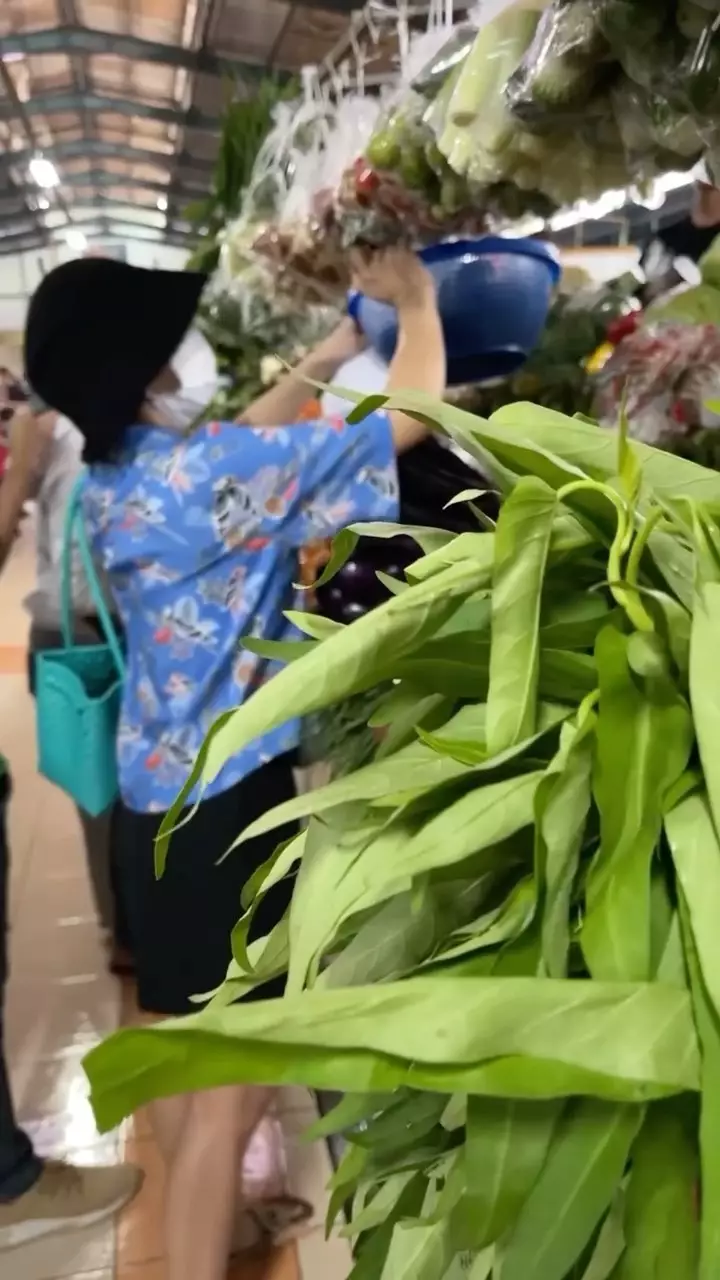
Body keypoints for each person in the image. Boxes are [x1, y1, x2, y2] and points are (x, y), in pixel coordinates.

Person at [23, 246, 446, 1280]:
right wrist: (420, 306)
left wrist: (338, 342)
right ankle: (204, 1250)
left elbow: (248, 436)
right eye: (171, 345)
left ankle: (209, 1223)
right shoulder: (208, 476)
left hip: (149, 812)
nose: (188, 355)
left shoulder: (120, 477)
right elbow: (411, 422)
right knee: (239, 1077)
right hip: (229, 813)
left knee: (183, 1063)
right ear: (151, 373)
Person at [0, 400, 142, 1251]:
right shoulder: (53, 434)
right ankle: (14, 1183)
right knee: (100, 792)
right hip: (79, 623)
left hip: (114, 619)